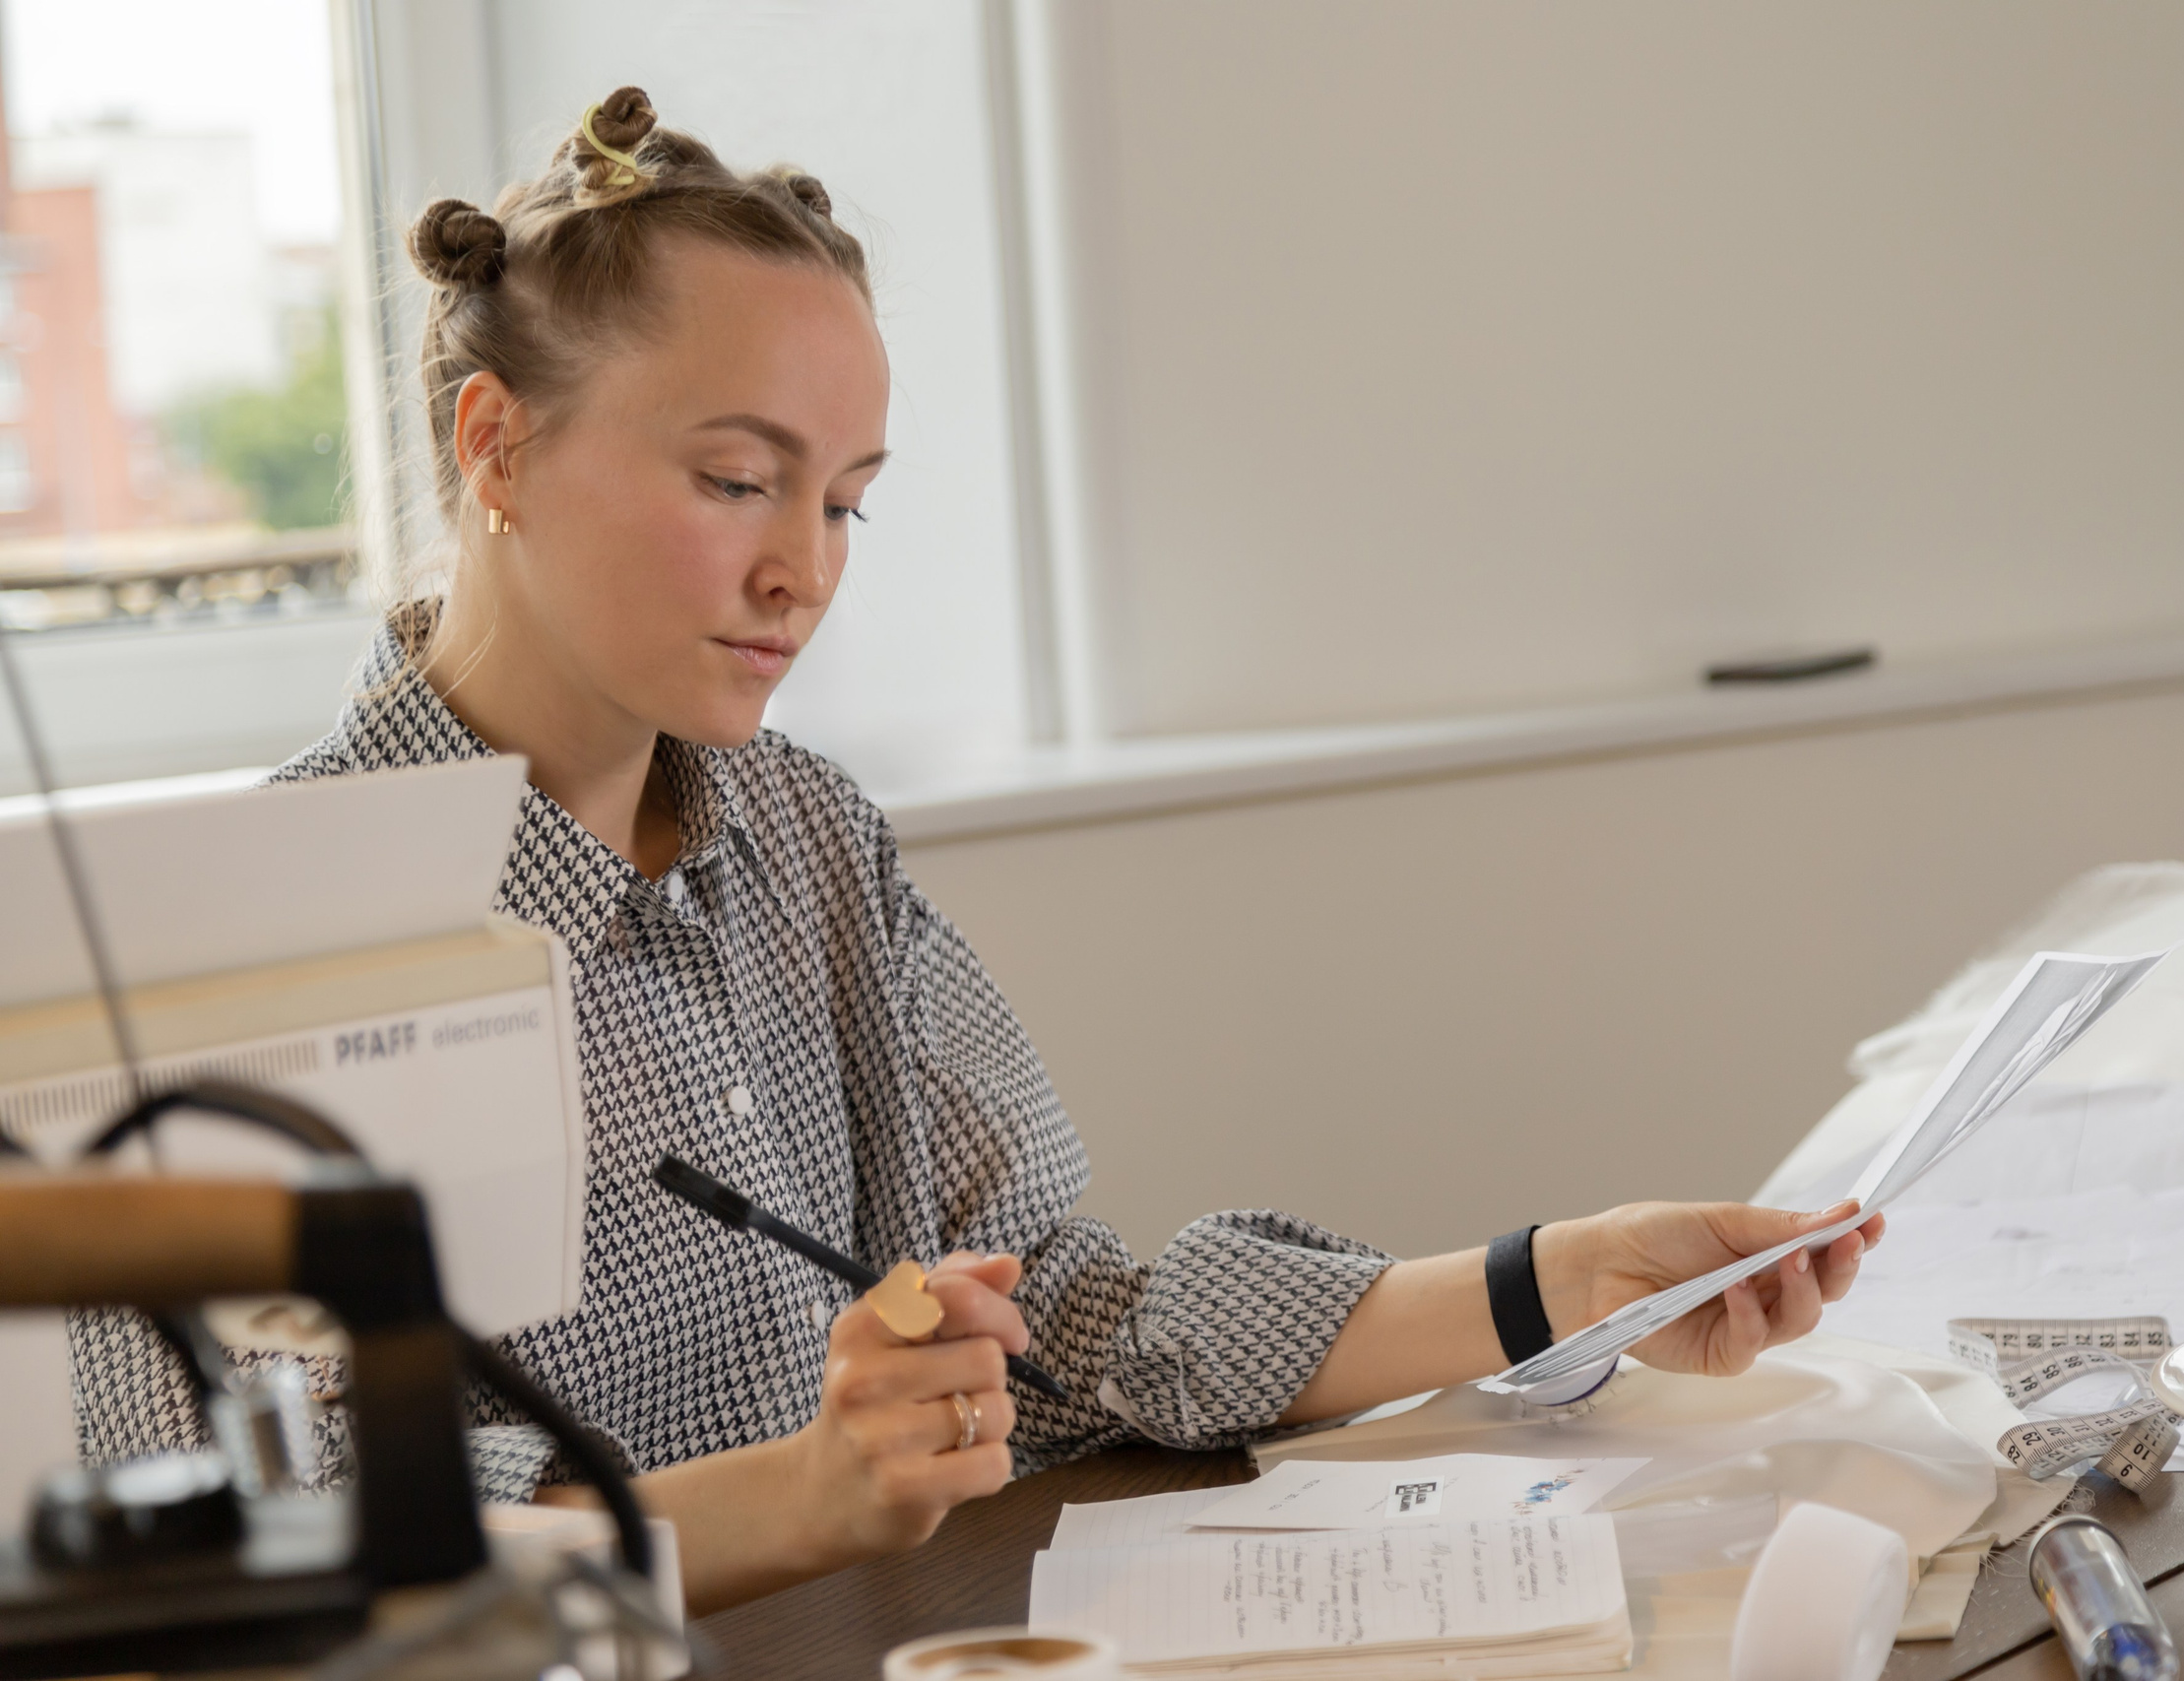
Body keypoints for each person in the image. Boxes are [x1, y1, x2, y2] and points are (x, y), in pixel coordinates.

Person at [70, 88, 1884, 1616]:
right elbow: (275, 1535)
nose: (808, 571)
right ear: (497, 446)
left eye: (846, 499)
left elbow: (1065, 1318)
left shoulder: (808, 837)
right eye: (734, 481)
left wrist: (1555, 1285)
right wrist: (803, 1495)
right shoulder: (242, 943)